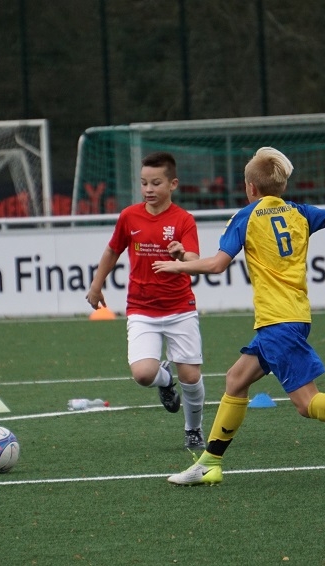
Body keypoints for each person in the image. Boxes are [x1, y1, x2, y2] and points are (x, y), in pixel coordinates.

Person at [153, 147, 325, 486]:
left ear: (251, 187)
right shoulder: (300, 211)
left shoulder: (246, 217)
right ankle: (209, 464)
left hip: (278, 322)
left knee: (308, 404)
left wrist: (178, 266)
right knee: (236, 379)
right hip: (293, 317)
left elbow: (218, 264)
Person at [86, 151, 207, 450]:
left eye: (155, 183)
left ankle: (193, 429)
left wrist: (181, 255)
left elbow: (194, 260)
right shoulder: (129, 216)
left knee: (191, 377)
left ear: (173, 184)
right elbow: (113, 250)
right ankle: (164, 380)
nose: (148, 189)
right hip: (142, 309)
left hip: (180, 308)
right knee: (143, 375)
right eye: (143, 183)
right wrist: (96, 285)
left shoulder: (183, 220)